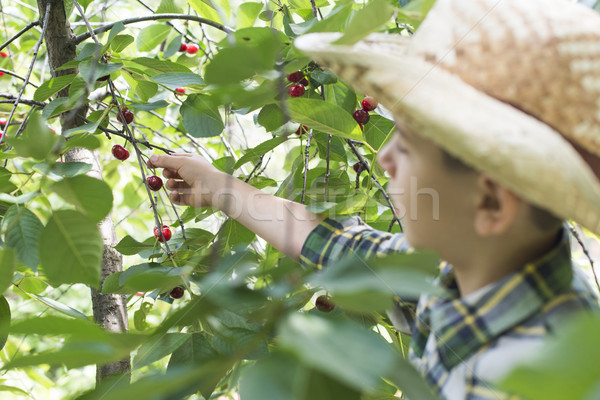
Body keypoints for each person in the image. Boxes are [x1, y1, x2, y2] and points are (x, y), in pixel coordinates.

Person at [148, 0, 600, 398]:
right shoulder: (461, 271)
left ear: (491, 205)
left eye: (407, 144)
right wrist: (221, 188)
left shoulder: (540, 377)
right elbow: (332, 241)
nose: (385, 157)